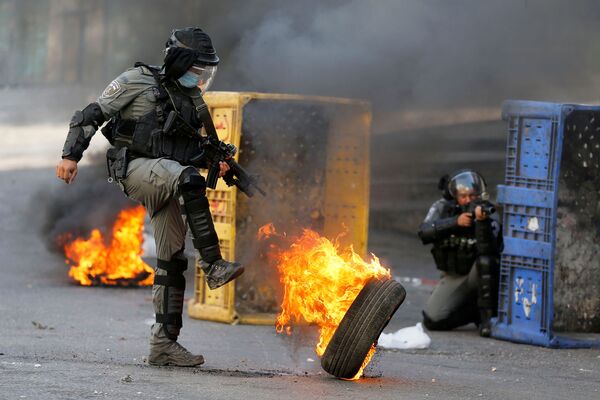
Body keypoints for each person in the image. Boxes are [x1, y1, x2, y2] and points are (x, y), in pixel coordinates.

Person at [55, 27, 244, 366]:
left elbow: (186, 150)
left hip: (166, 176)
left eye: (206, 72)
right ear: (178, 61)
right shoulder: (136, 80)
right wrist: (71, 156)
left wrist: (220, 164)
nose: (201, 78)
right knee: (187, 179)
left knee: (171, 260)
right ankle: (213, 264)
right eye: (197, 70)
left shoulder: (191, 101)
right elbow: (90, 115)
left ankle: (163, 346)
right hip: (135, 169)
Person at [418, 170, 502, 337]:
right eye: (463, 196)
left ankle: (487, 318)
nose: (468, 200)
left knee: (486, 261)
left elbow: (490, 250)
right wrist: (455, 222)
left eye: (472, 195)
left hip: (476, 273)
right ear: (455, 196)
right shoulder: (443, 207)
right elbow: (424, 232)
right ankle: (473, 313)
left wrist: (481, 222)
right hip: (453, 274)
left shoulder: (488, 211)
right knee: (432, 320)